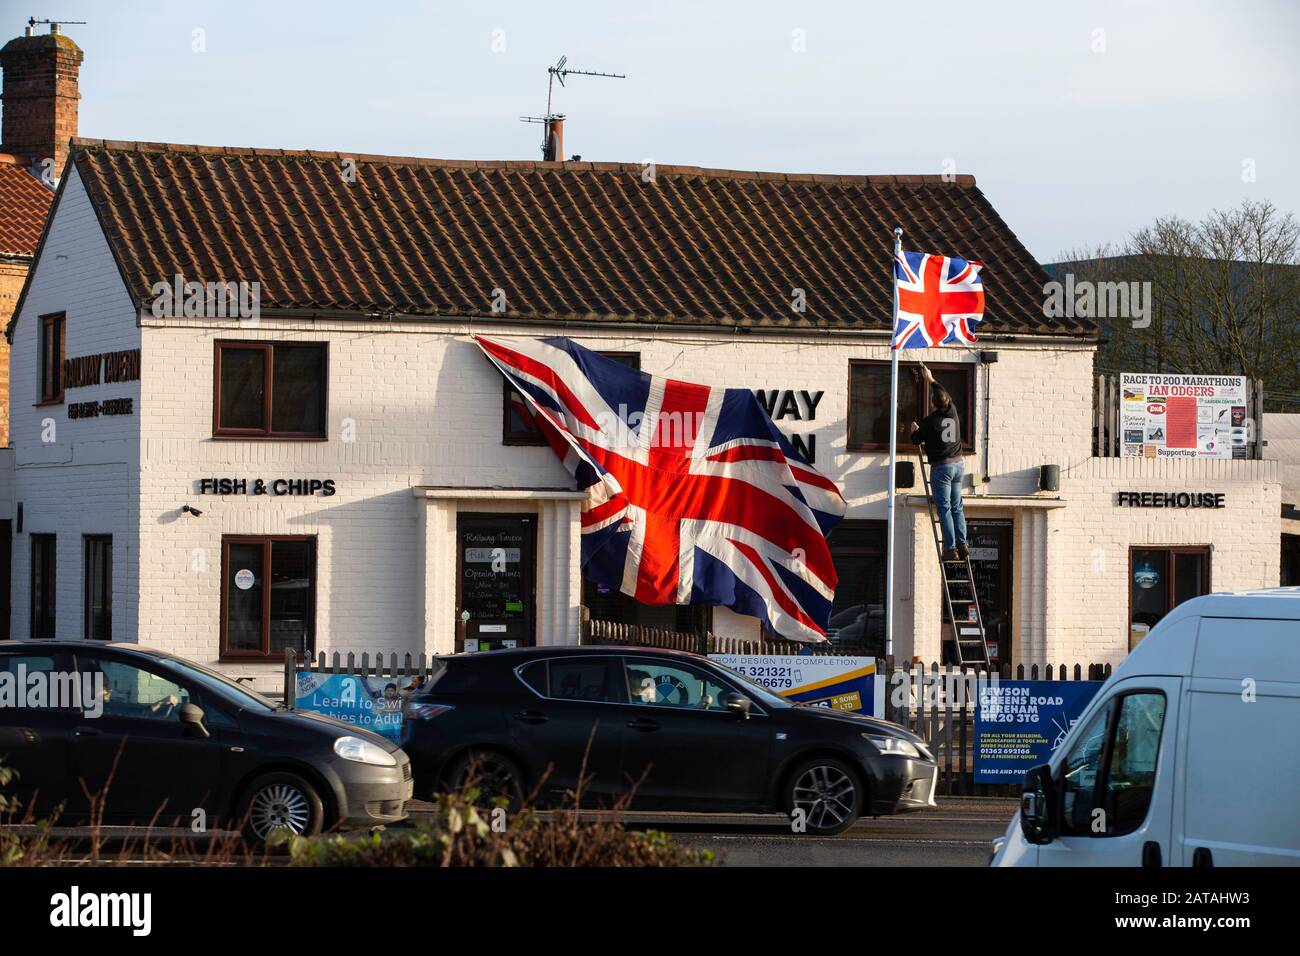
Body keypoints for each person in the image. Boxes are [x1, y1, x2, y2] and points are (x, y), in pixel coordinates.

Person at [910, 365, 968, 562]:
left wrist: (913, 429)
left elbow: (915, 440)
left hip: (942, 467)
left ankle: (950, 548)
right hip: (958, 464)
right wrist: (931, 379)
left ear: (933, 404)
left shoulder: (929, 422)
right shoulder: (952, 411)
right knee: (957, 506)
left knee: (944, 508)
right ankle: (963, 543)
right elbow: (943, 393)